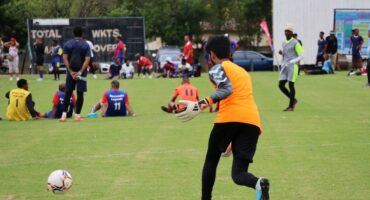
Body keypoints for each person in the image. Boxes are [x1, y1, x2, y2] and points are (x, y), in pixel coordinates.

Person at [175, 36, 269, 200]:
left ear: (211, 54)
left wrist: (200, 104)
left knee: (211, 160)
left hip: (229, 118)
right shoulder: (243, 72)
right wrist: (233, 142)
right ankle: (258, 183)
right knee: (239, 174)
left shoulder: (217, 68)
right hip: (252, 122)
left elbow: (227, 89)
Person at [60, 26, 91, 122]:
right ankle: (77, 115)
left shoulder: (68, 44)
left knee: (68, 93)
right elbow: (87, 60)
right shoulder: (86, 45)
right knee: (80, 93)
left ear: (73, 34)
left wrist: (70, 71)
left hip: (71, 72)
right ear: (82, 34)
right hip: (81, 73)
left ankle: (64, 115)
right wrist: (80, 72)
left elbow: (64, 58)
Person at [278, 24, 304, 112]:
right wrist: (282, 53)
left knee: (291, 85)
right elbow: (286, 54)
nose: (286, 33)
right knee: (281, 85)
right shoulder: (284, 42)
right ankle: (294, 100)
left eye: (288, 31)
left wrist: (293, 61)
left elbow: (301, 56)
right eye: (285, 31)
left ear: (291, 33)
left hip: (293, 66)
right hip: (285, 66)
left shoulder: (296, 42)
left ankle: (291, 106)